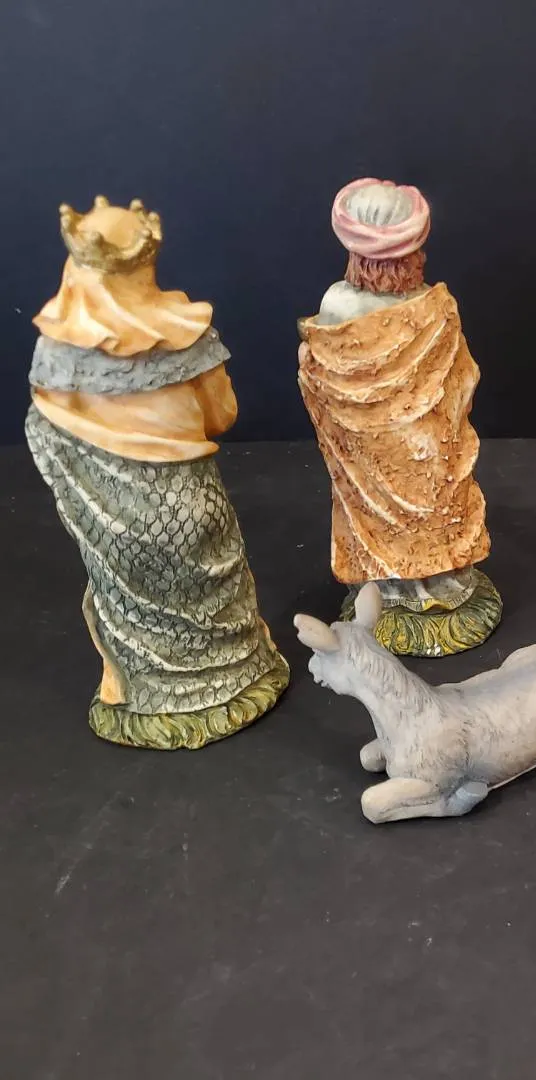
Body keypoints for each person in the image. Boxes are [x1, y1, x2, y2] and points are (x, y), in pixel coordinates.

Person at [25, 197, 287, 748]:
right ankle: (235, 679)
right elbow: (222, 416)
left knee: (134, 612)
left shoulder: (55, 356)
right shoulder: (186, 336)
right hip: (190, 503)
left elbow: (47, 431)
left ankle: (152, 695)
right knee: (213, 603)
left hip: (110, 518)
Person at [298, 179, 495, 655]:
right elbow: (463, 377)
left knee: (395, 508)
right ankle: (418, 585)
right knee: (432, 501)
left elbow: (317, 375)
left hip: (381, 449)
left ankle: (402, 586)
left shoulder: (338, 305)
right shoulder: (434, 308)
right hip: (421, 444)